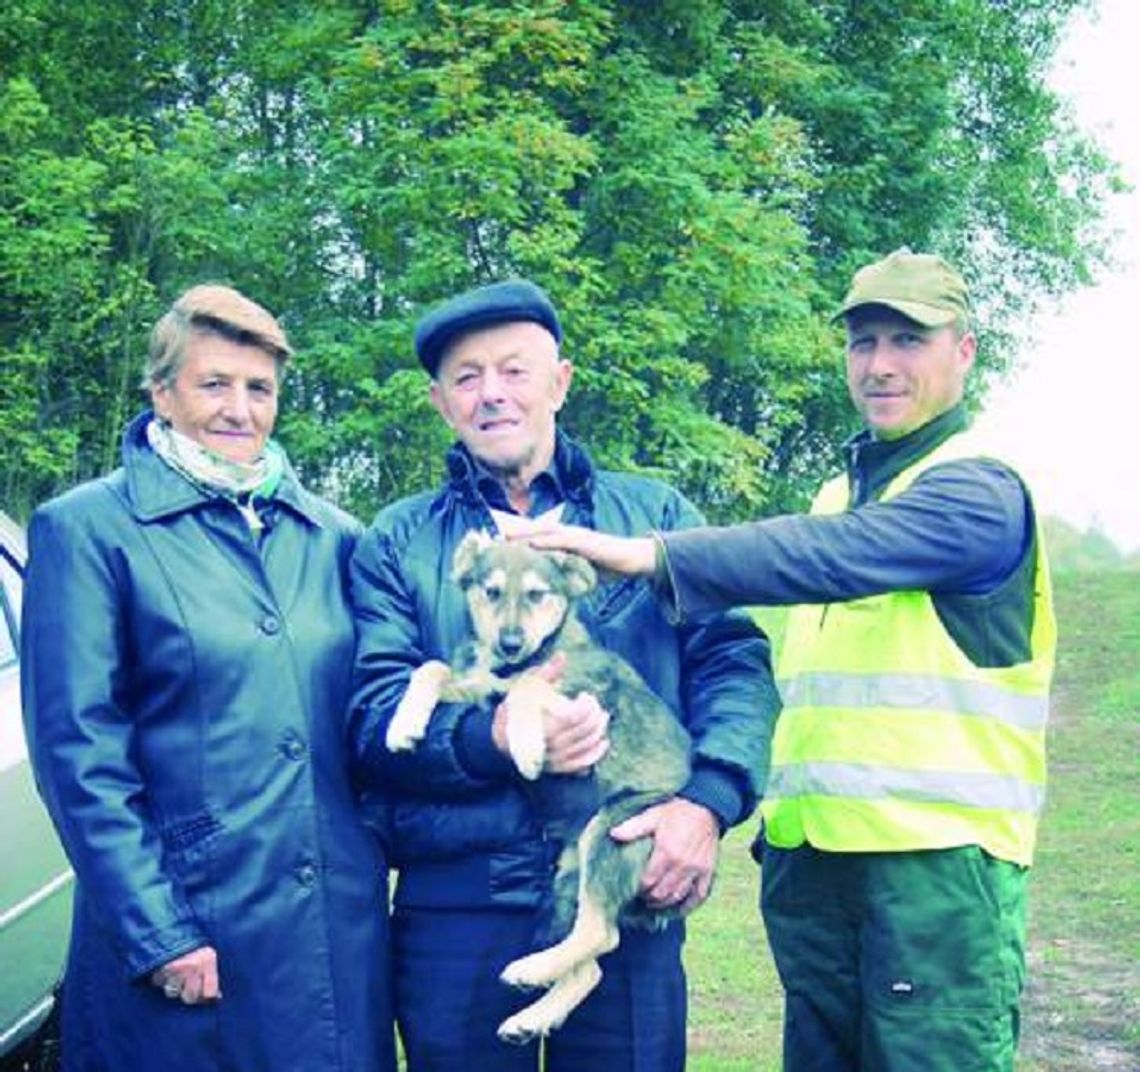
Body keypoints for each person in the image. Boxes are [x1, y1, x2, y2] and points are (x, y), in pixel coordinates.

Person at [521, 250, 1056, 1072]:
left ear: (965, 350)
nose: (879, 365)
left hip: (934, 876)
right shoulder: (840, 493)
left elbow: (825, 555)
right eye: (862, 341)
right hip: (815, 867)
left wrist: (647, 554)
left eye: (907, 341)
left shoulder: (975, 491)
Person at [348, 278, 780, 1071]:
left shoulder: (654, 519)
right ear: (440, 400)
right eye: (466, 377)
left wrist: (707, 805)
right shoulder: (396, 541)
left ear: (561, 381)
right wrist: (487, 734)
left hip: (624, 869)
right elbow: (371, 714)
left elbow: (734, 662)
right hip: (457, 903)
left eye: (514, 370)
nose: (491, 395)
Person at [20, 285, 396, 1072]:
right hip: (191, 923)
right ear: (161, 391)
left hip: (334, 931)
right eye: (214, 384)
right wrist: (159, 931)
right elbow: (79, 759)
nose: (240, 409)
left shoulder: (336, 538)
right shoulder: (88, 530)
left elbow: (372, 720)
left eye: (259, 388)